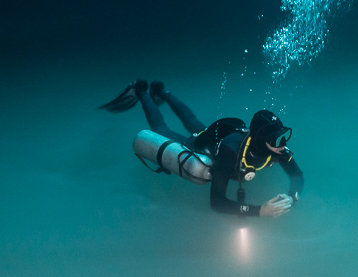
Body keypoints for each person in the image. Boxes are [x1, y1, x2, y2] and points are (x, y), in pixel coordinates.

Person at [100, 79, 304, 217]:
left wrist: (291, 196)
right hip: (203, 147)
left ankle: (162, 91)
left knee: (191, 120)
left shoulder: (277, 150)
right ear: (261, 140)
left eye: (283, 138)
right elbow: (216, 202)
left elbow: (297, 175)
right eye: (276, 140)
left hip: (217, 136)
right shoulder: (231, 152)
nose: (282, 145)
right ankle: (142, 91)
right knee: (161, 129)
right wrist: (260, 211)